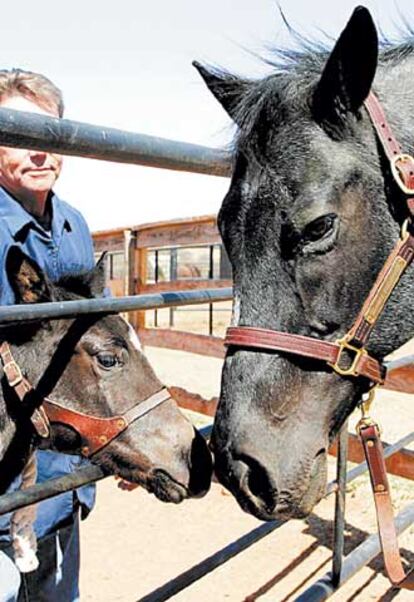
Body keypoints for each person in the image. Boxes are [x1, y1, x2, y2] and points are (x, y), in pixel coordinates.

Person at [0, 69, 96, 602]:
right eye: (20, 137)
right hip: (6, 480)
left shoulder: (75, 226)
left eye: (51, 137)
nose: (40, 153)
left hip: (66, 470)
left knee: (61, 590)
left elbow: (99, 339)